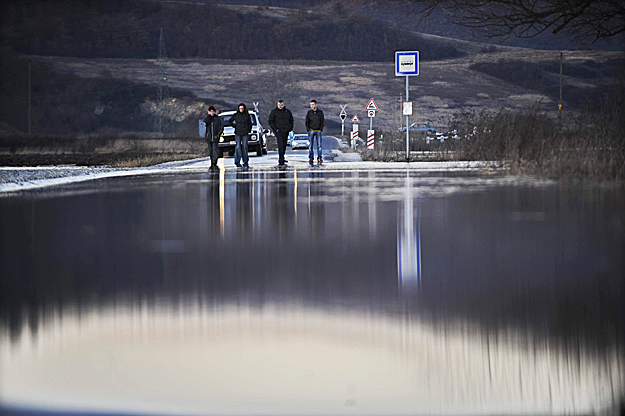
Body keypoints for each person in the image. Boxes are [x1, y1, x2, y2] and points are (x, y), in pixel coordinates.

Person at [268, 99, 294, 167]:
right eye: (279, 105)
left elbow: (291, 120)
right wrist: (275, 129)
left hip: (286, 131)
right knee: (280, 144)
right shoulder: (274, 112)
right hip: (278, 131)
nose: (280, 106)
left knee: (284, 144)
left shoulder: (287, 112)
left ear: (283, 104)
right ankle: (281, 159)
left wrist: (290, 128)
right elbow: (271, 121)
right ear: (277, 105)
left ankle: (282, 156)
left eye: (281, 104)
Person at [228, 103, 252, 169]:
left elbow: (250, 124)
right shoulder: (236, 115)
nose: (241, 109)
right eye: (240, 108)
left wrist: (248, 130)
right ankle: (237, 161)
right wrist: (235, 126)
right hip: (238, 133)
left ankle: (245, 161)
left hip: (245, 133)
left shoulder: (247, 115)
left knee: (245, 147)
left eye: (242, 108)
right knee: (238, 147)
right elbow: (230, 121)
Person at [203, 106, 223, 170]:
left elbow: (221, 127)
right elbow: (205, 123)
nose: (212, 113)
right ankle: (212, 161)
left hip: (215, 137)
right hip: (209, 137)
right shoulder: (207, 119)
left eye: (213, 111)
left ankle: (214, 161)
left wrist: (218, 135)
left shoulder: (217, 119)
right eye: (210, 111)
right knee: (210, 150)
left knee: (215, 149)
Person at [305, 99, 324, 166]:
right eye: (311, 105)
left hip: (318, 130)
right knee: (311, 145)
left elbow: (322, 121)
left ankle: (319, 157)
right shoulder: (309, 113)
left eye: (313, 105)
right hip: (311, 130)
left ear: (316, 105)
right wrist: (308, 129)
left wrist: (321, 129)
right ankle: (311, 157)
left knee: (319, 146)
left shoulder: (320, 112)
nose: (312, 106)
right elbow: (307, 121)